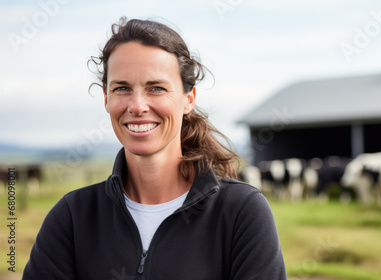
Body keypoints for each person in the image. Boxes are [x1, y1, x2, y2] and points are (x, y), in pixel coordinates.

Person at [23, 17, 287, 279]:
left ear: (188, 99)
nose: (137, 106)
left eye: (156, 88)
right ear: (106, 98)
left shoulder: (241, 213)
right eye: (122, 88)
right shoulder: (73, 217)